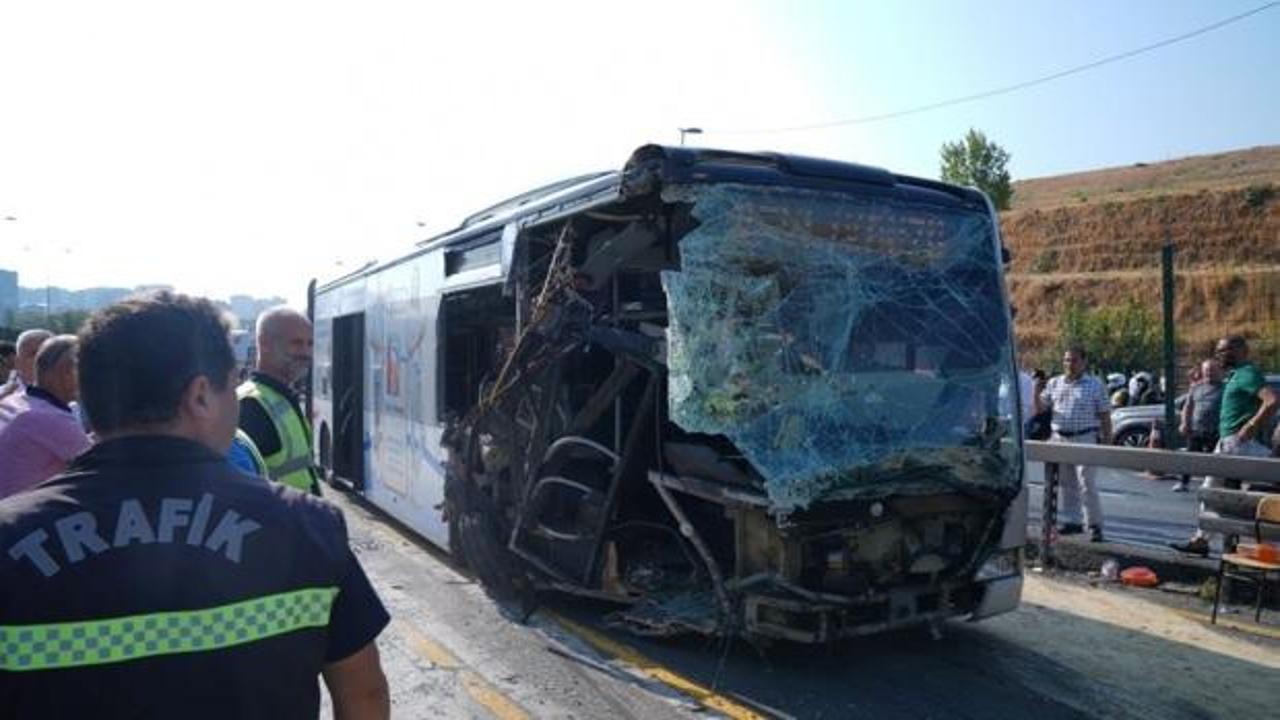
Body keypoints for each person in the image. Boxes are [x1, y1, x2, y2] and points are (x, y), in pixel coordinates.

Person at [0, 291, 389, 718]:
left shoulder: (10, 536)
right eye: (232, 386)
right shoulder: (309, 526)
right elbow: (364, 695)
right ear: (201, 396)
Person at [1170, 336, 1278, 556]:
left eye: (1224, 351)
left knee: (1223, 492)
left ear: (1240, 350)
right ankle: (1203, 540)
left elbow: (1271, 400)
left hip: (1239, 444)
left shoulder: (1247, 373)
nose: (1219, 355)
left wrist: (1251, 425)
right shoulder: (1234, 375)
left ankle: (1210, 540)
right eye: (1218, 351)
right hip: (1229, 442)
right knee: (1212, 492)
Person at [238, 307, 321, 495]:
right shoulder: (250, 405)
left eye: (310, 344)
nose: (306, 352)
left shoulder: (281, 396)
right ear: (264, 344)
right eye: (296, 343)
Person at [1036, 345, 1112, 542]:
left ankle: (1094, 525)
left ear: (1084, 362)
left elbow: (1104, 414)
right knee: (1066, 483)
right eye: (1067, 360)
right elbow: (1041, 408)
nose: (1069, 364)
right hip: (1059, 438)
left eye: (1074, 360)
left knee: (1086, 483)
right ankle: (1073, 521)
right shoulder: (1055, 383)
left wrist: (1108, 441)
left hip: (1085, 437)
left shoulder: (1094, 384)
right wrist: (1037, 390)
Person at [0, 335, 92, 498]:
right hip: (22, 510)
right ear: (65, 372)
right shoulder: (51, 418)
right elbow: (101, 464)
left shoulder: (15, 401)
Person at [1171, 359, 1223, 493]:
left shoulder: (1225, 388)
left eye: (1212, 370)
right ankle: (1183, 483)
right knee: (1190, 457)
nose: (1209, 373)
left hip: (1215, 430)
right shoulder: (1196, 387)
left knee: (1214, 460)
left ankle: (1212, 486)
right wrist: (1184, 423)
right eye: (1206, 370)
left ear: (1219, 371)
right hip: (1196, 429)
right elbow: (1188, 406)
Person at [0, 328, 52, 401]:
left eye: (50, 354)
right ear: (17, 362)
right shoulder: (3, 397)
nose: (44, 359)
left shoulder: (67, 397)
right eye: (34, 354)